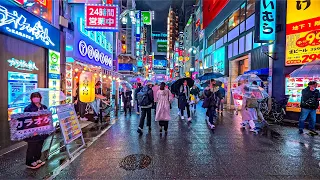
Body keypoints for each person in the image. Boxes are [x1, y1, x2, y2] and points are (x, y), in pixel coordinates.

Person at [24, 92, 48, 169]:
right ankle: (29, 162)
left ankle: (37, 159)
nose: (36, 98)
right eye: (34, 97)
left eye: (37, 96)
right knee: (32, 146)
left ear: (40, 98)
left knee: (39, 145)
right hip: (33, 131)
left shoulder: (44, 107)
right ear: (31, 99)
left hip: (42, 131)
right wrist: (31, 131)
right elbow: (26, 120)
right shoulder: (28, 108)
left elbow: (47, 118)